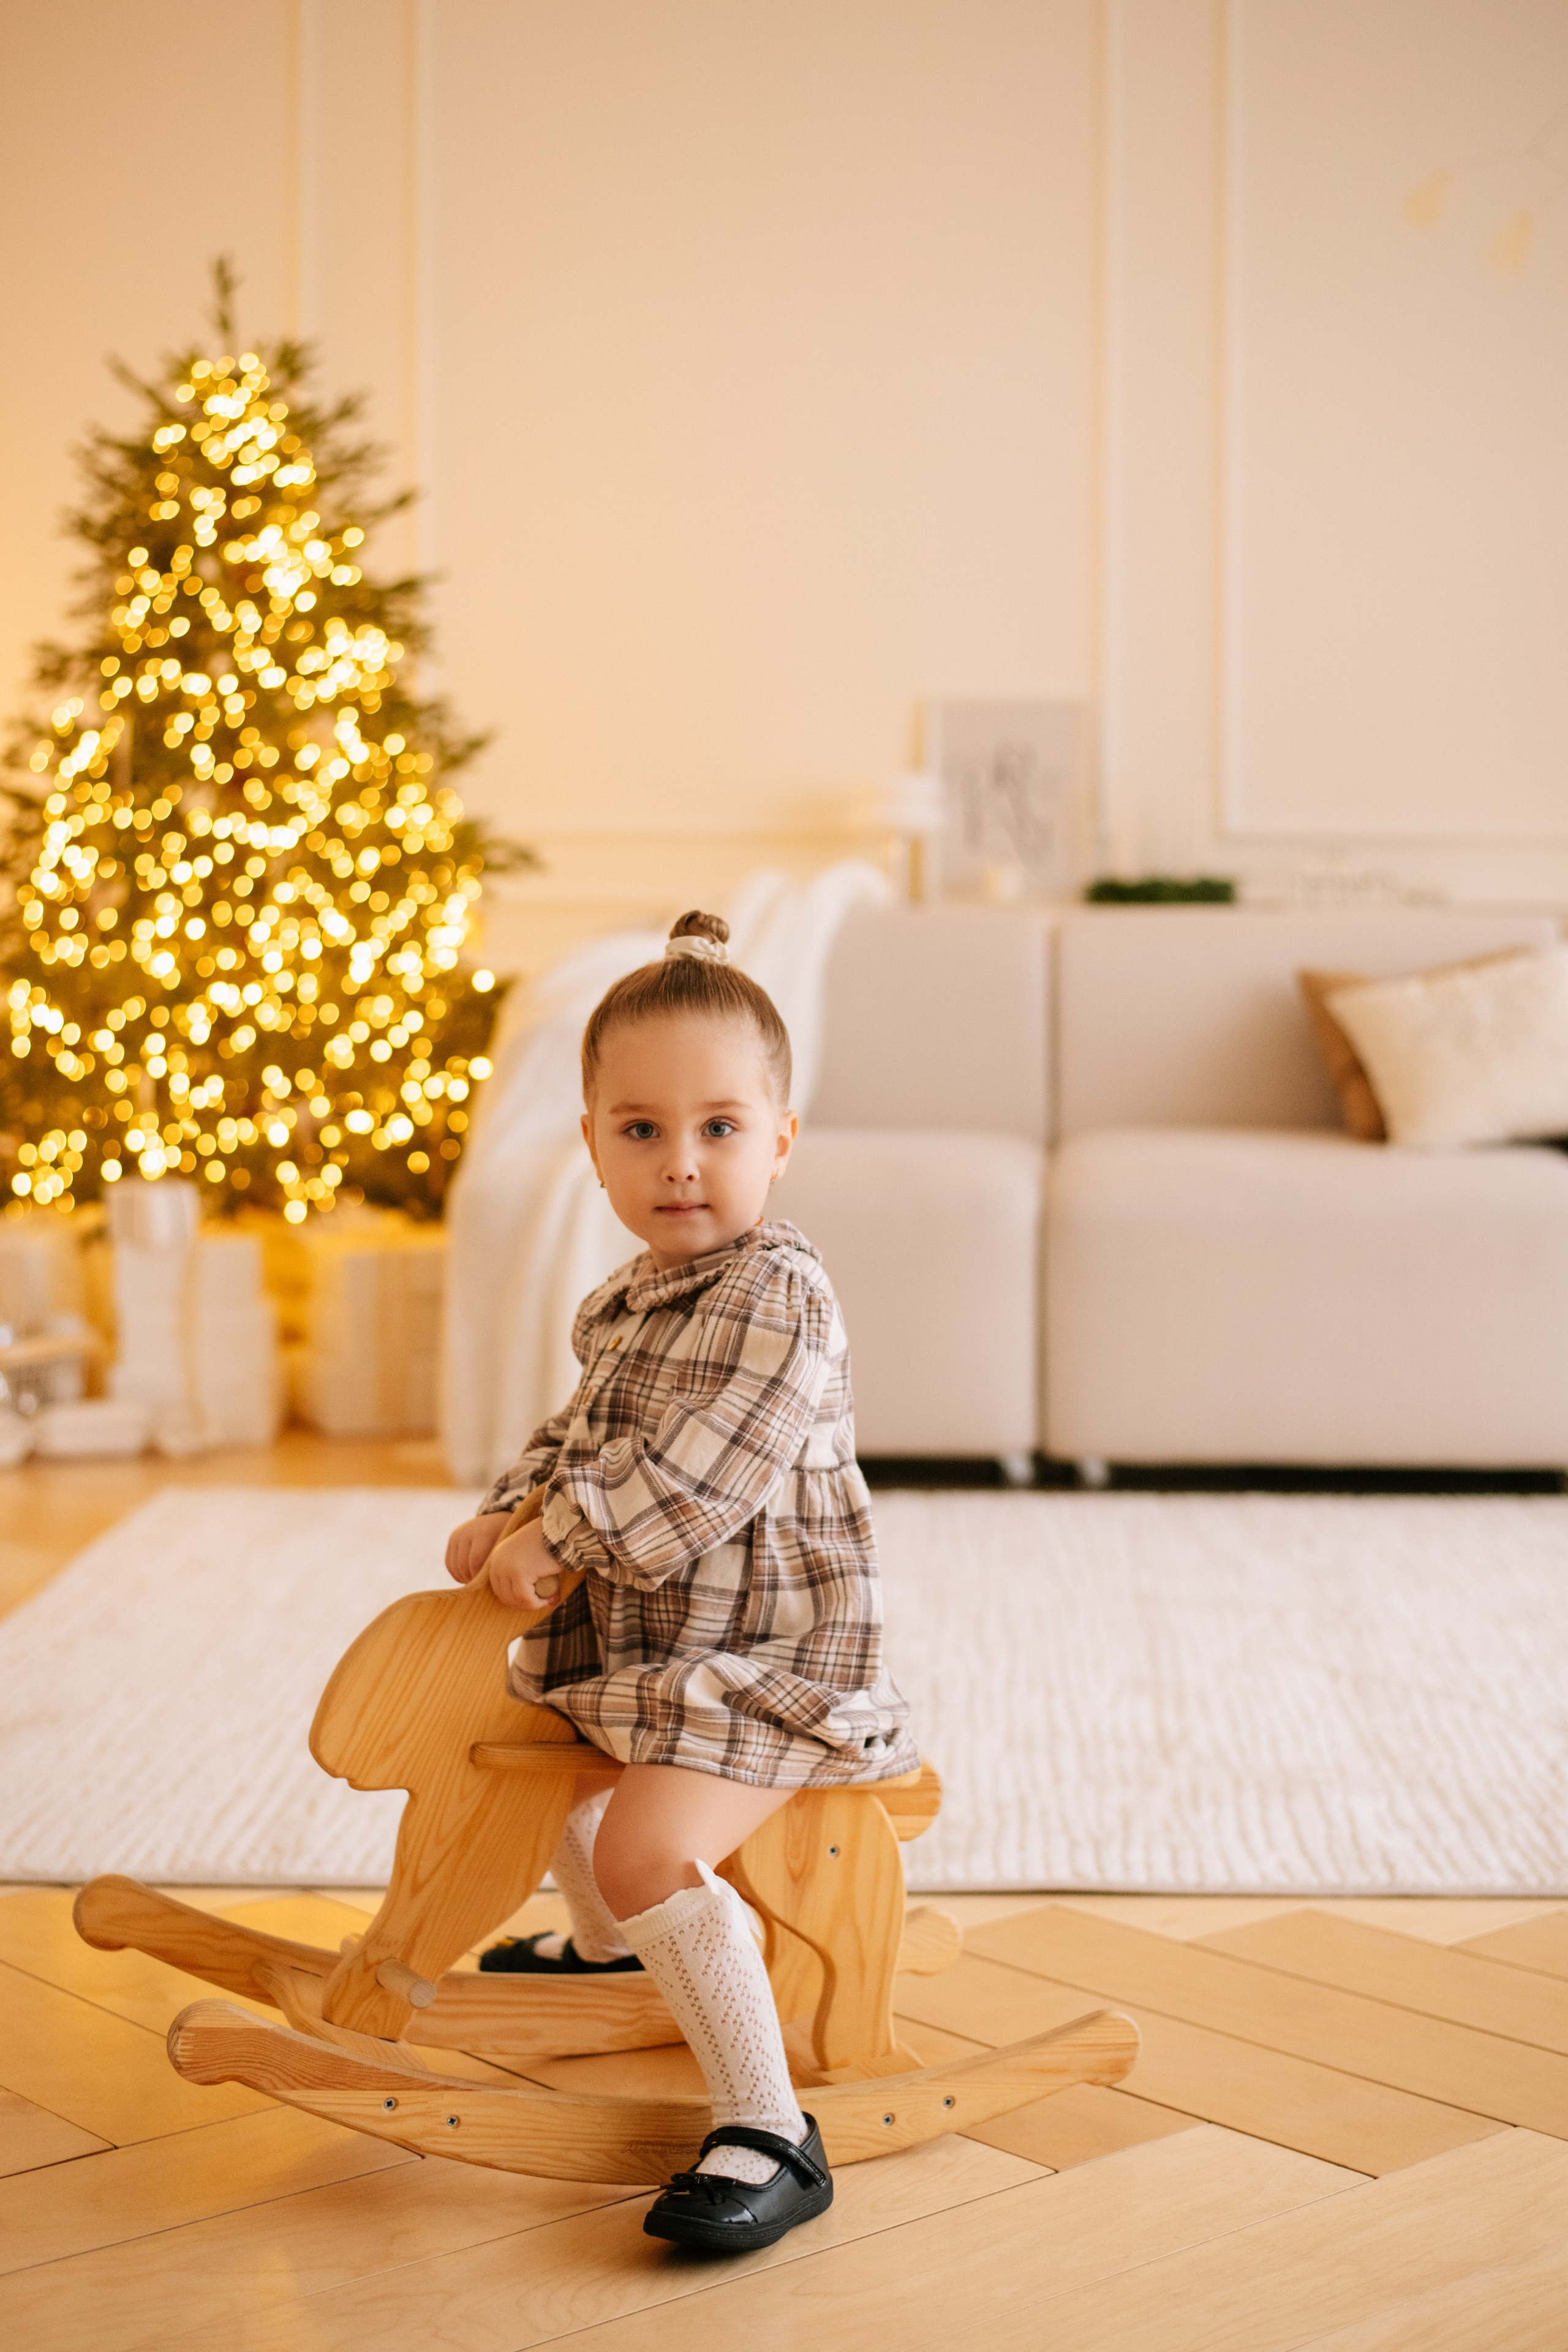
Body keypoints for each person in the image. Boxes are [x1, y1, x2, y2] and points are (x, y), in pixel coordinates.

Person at [444, 908, 918, 2253]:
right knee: (533, 1743)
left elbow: (707, 1476)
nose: (680, 1163)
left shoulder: (776, 1296)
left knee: (646, 1840)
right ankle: (613, 1956)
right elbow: (574, 1437)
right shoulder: (628, 1301)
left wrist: (568, 1537)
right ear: (591, 1144)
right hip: (654, 1644)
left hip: (773, 1658)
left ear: (778, 1137)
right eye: (639, 1130)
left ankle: (770, 2127)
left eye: (718, 1126)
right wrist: (504, 1514)